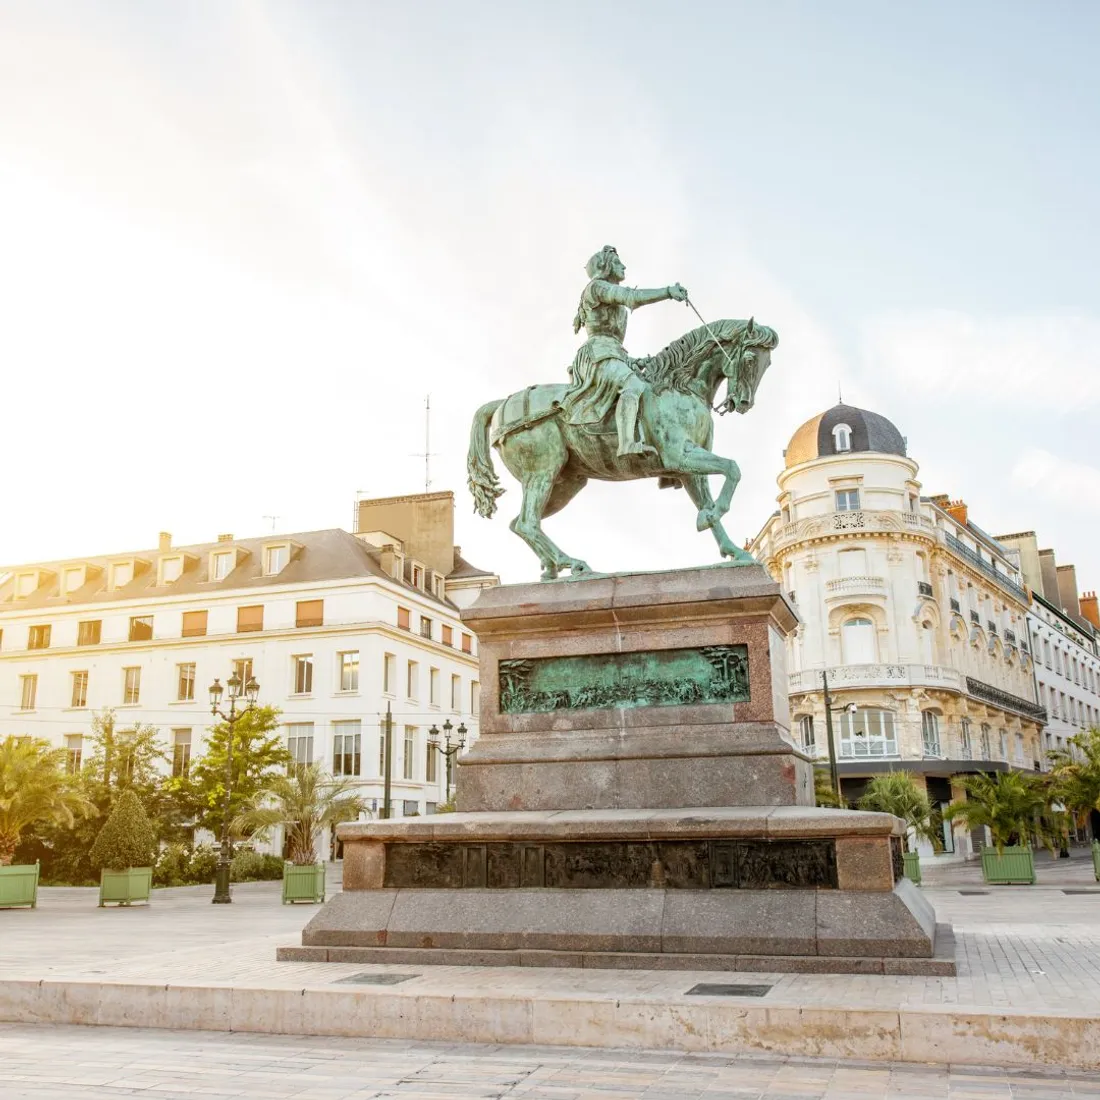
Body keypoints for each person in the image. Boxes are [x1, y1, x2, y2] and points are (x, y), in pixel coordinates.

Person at [561, 245, 688, 457]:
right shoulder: (597, 288)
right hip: (597, 355)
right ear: (606, 266)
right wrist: (667, 292)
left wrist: (631, 361)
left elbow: (614, 342)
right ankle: (626, 444)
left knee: (649, 387)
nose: (624, 266)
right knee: (633, 384)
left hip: (612, 353)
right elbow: (632, 297)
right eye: (618, 263)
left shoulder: (606, 293)